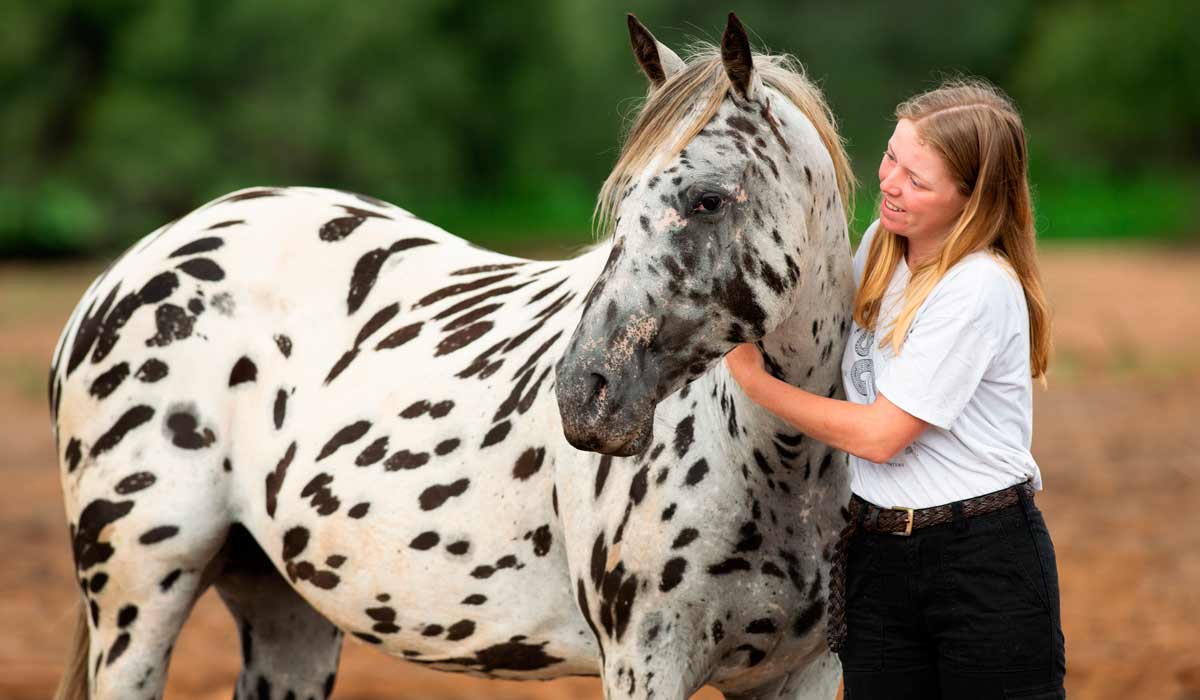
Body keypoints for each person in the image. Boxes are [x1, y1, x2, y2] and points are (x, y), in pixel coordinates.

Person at [724, 79, 1066, 699]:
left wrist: (754, 381)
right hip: (876, 555)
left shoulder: (976, 287)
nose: (889, 182)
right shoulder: (882, 249)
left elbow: (881, 436)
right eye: (890, 157)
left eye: (918, 179)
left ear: (972, 198)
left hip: (982, 564)